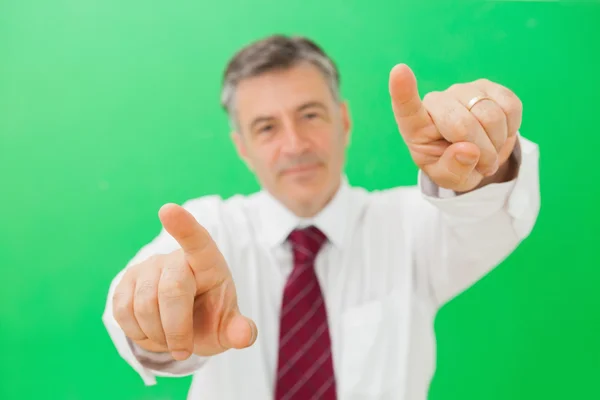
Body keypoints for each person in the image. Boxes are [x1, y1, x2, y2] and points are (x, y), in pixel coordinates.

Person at [102, 34, 540, 400]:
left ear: (344, 121)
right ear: (242, 148)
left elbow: (488, 216)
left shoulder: (409, 224)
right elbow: (133, 310)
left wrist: (480, 159)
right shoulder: (206, 231)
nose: (294, 145)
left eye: (309, 115)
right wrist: (159, 315)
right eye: (267, 127)